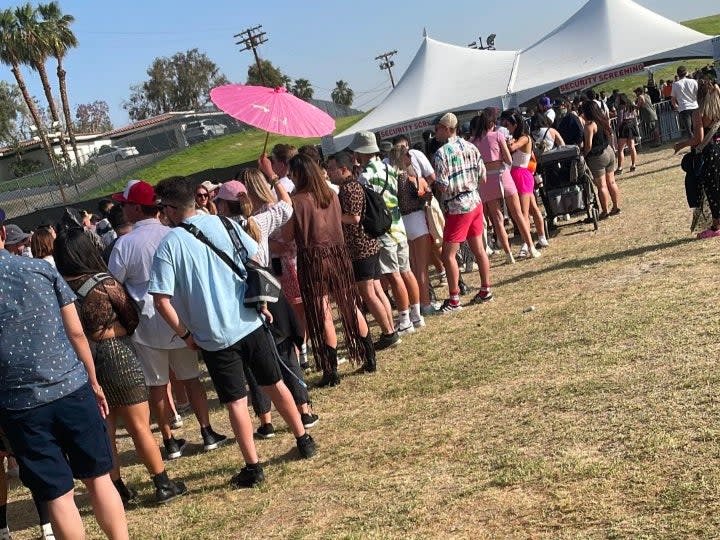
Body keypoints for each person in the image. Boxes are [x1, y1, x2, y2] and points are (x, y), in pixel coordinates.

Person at [148, 176, 316, 489]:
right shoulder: (223, 223)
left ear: (170, 209)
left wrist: (185, 335)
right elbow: (255, 260)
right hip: (250, 321)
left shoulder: (169, 245)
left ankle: (253, 466)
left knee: (236, 402)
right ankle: (303, 438)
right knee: (274, 383)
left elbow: (161, 301)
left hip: (212, 335)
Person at [0, 208, 129, 539]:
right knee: (99, 478)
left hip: (20, 403)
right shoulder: (39, 270)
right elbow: (76, 333)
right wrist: (94, 382)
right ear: (2, 235)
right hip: (71, 386)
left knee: (57, 493)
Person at [55, 228, 188, 505]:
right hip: (117, 355)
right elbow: (131, 317)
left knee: (106, 430)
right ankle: (162, 483)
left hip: (82, 362)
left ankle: (118, 490)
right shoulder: (103, 282)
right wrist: (113, 329)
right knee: (139, 426)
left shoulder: (57, 287)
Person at [108, 180, 227, 461]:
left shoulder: (124, 244)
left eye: (125, 204)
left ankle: (169, 439)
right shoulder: (173, 234)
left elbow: (113, 285)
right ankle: (207, 430)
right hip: (179, 319)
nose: (123, 209)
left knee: (158, 385)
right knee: (192, 379)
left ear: (137, 208)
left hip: (147, 324)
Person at [214, 172, 318, 435]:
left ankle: (266, 420)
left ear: (224, 206)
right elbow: (286, 205)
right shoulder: (260, 220)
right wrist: (272, 176)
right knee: (285, 353)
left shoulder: (218, 233)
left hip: (241, 299)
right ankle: (303, 410)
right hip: (270, 290)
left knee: (252, 362)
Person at [284, 154, 376, 385]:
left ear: (298, 175)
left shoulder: (297, 201)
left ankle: (331, 370)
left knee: (322, 312)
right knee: (349, 305)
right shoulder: (331, 195)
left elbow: (287, 236)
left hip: (313, 259)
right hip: (338, 255)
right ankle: (369, 355)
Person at [349, 131, 424, 333]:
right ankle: (416, 316)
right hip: (398, 223)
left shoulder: (366, 176)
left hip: (383, 229)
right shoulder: (389, 167)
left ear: (361, 152)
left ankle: (404, 319)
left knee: (393, 275)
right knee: (406, 271)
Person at [326, 152, 400, 350]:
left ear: (344, 169)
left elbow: (354, 217)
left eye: (332, 169)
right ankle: (390, 329)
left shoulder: (349, 188)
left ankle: (388, 332)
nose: (329, 172)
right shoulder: (354, 184)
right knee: (377, 289)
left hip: (360, 248)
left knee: (368, 293)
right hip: (369, 245)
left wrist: (333, 217)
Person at [432, 112, 493, 312]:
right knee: (479, 249)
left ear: (447, 129)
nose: (436, 132)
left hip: (458, 206)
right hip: (475, 201)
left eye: (438, 128)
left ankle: (454, 299)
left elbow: (442, 185)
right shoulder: (471, 147)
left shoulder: (442, 153)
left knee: (448, 254)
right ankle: (486, 289)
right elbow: (482, 177)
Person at [472, 108, 540, 261]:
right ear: (491, 123)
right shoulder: (497, 135)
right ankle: (530, 247)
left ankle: (509, 254)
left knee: (497, 220)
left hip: (485, 181)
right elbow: (509, 159)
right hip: (503, 176)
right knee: (518, 214)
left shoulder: (473, 141)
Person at [387, 145, 435, 313]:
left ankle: (416, 304)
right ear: (404, 158)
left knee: (412, 268)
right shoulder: (411, 177)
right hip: (417, 220)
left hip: (403, 223)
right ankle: (426, 303)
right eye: (408, 154)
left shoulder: (393, 179)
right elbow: (425, 197)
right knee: (422, 268)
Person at [673, 80, 720, 238]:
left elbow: (698, 139)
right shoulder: (717, 108)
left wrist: (681, 144)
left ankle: (716, 225)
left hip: (710, 154)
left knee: (712, 189)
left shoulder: (699, 112)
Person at [503, 110, 550, 250]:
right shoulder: (519, 138)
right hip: (520, 174)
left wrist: (506, 142)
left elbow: (512, 147)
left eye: (508, 125)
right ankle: (541, 238)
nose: (507, 128)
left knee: (524, 212)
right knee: (533, 208)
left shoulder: (524, 138)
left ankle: (526, 243)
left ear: (515, 124)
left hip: (521, 174)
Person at [581, 100, 621, 219]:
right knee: (612, 182)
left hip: (597, 156)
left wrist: (583, 155)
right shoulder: (603, 120)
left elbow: (588, 145)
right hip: (608, 150)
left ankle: (605, 211)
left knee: (601, 186)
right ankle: (615, 206)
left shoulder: (589, 126)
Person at [615, 93, 639, 174]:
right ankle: (633, 165)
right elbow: (635, 116)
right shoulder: (631, 106)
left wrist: (617, 129)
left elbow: (620, 120)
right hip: (631, 125)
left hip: (624, 126)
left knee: (620, 149)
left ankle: (620, 168)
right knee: (632, 147)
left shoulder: (621, 107)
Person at [672, 65, 699, 138]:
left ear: (678, 74)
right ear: (686, 73)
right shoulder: (693, 81)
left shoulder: (675, 84)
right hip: (695, 107)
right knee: (698, 129)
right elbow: (698, 94)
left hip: (684, 108)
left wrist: (677, 107)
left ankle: (694, 147)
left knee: (689, 131)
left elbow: (673, 99)